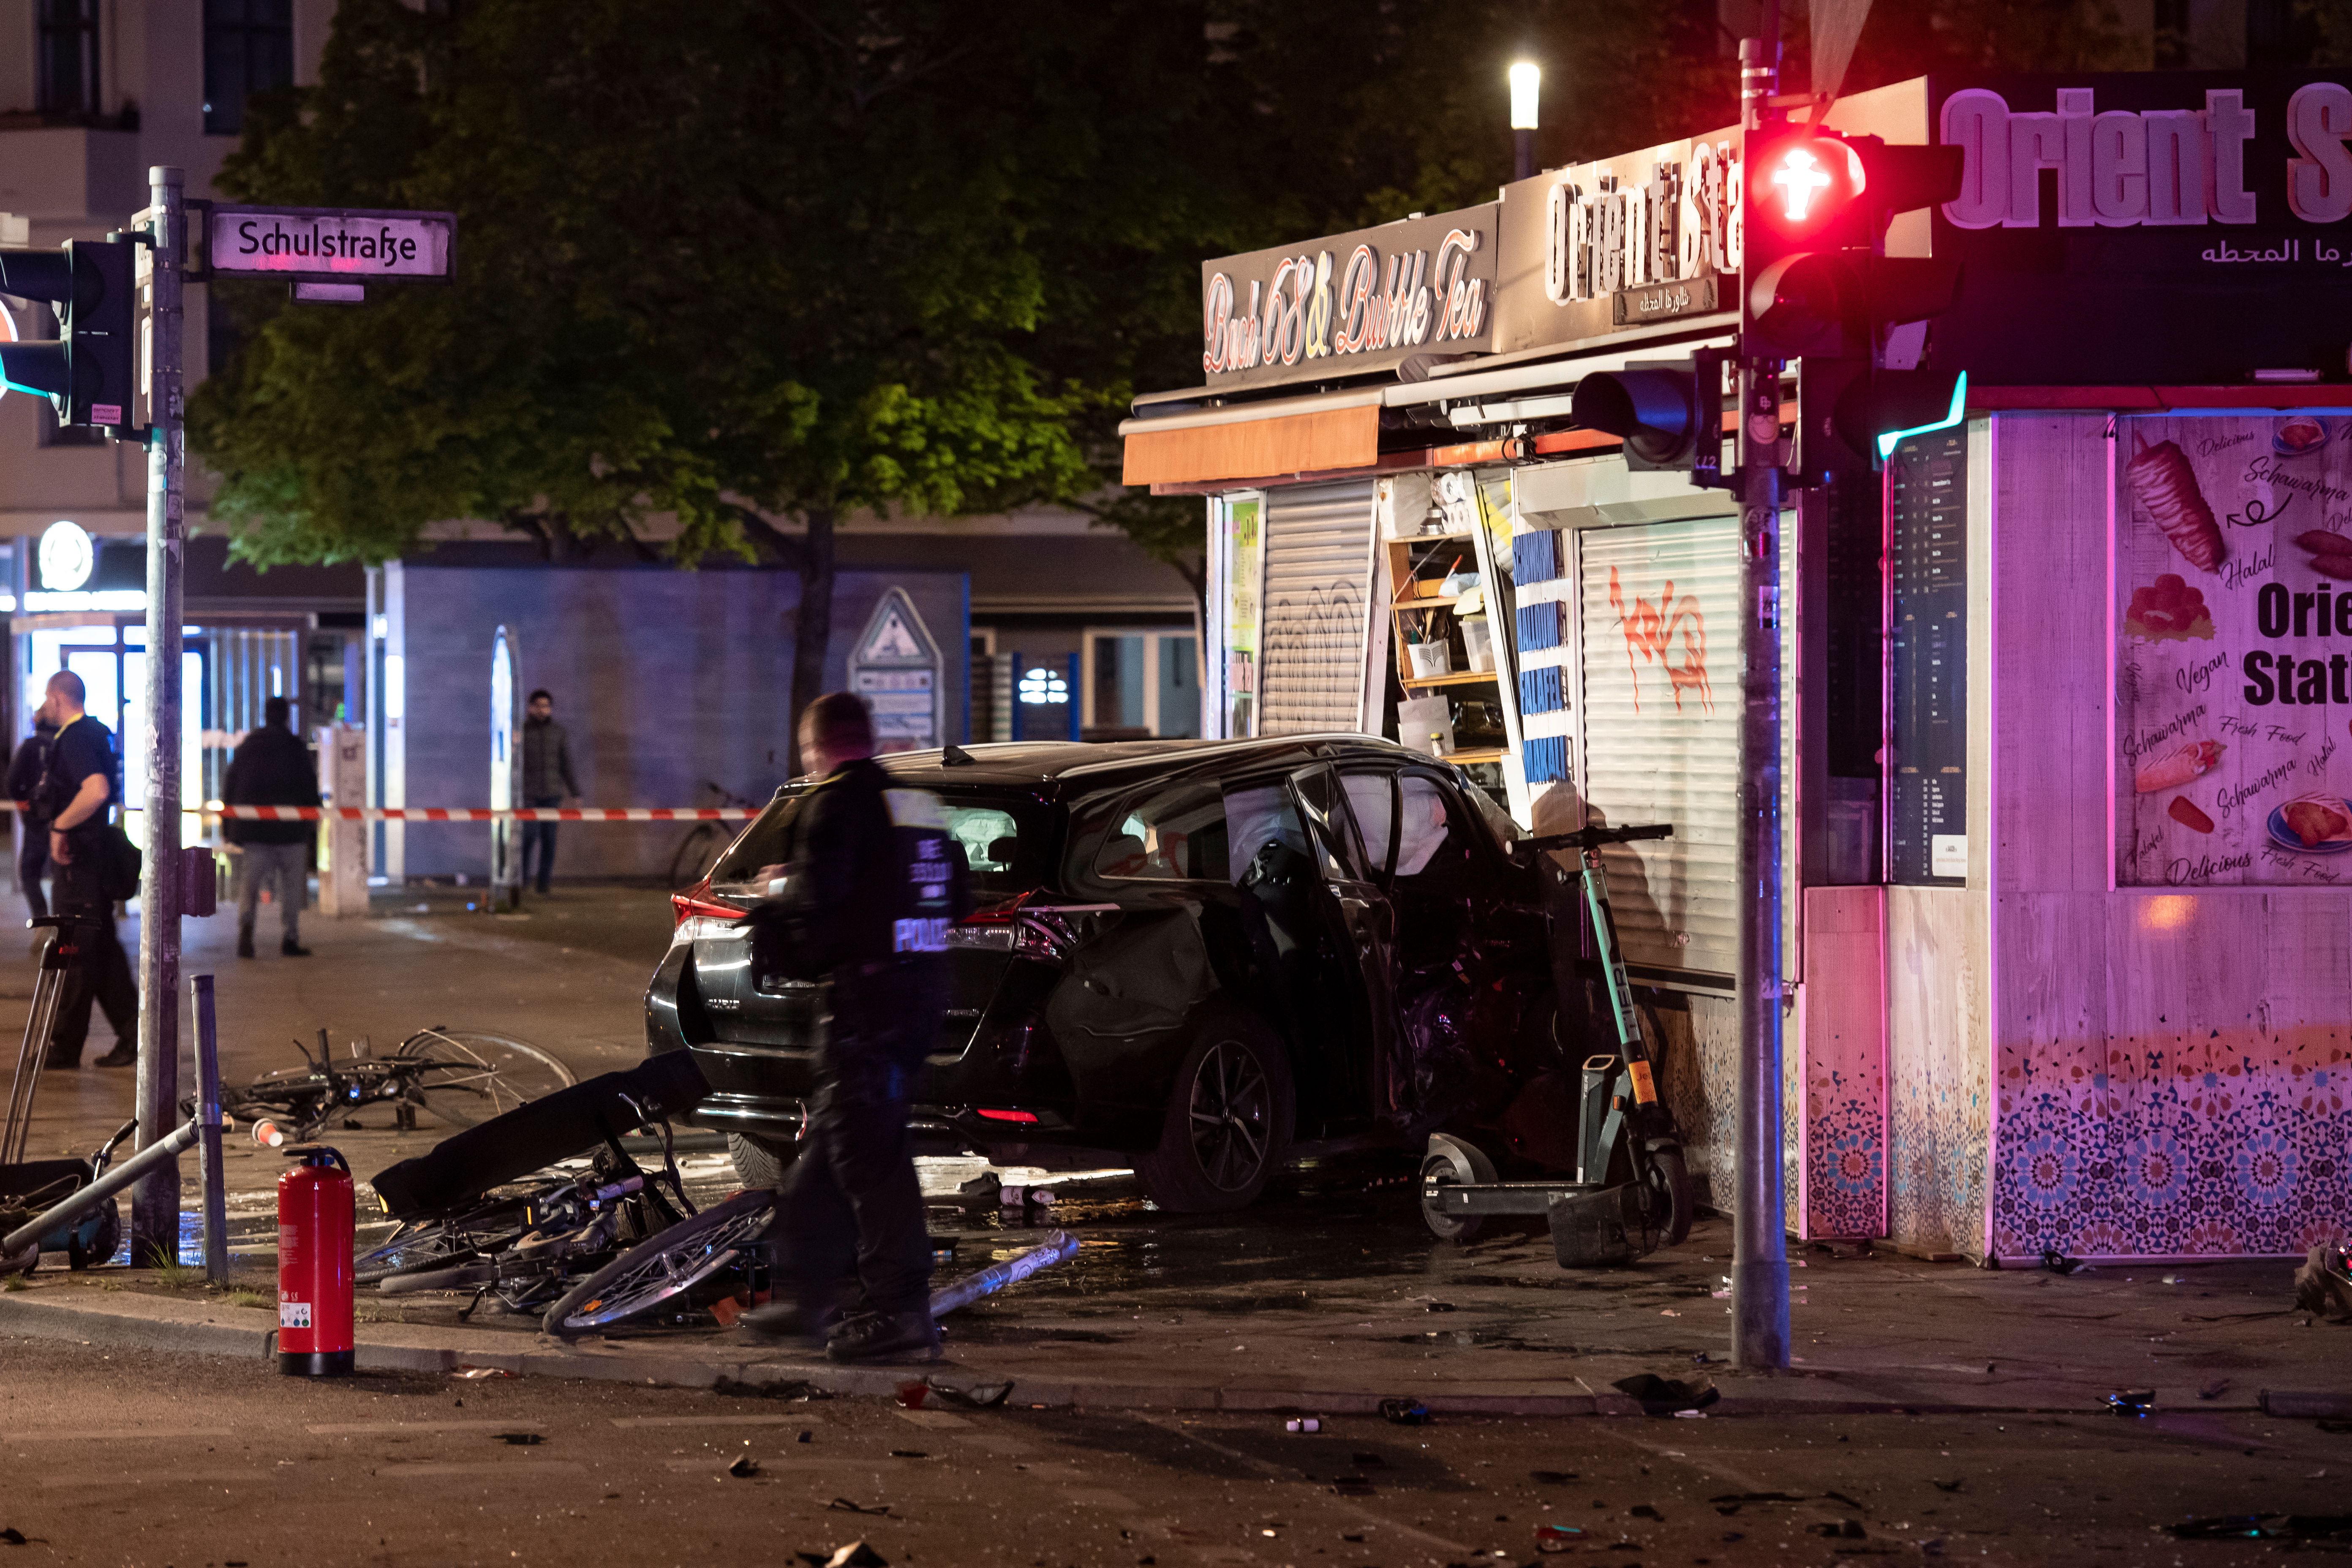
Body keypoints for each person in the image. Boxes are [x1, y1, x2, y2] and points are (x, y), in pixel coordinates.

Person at [740, 692, 963, 1362]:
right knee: (842, 1145)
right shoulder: (914, 804)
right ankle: (807, 1297)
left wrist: (774, 893)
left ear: (817, 749)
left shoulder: (835, 802)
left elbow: (818, 901)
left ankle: (902, 1312)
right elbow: (954, 890)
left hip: (866, 1007)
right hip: (919, 995)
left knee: (867, 1154)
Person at [38, 671, 136, 1069]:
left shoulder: (76, 738)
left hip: (80, 867)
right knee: (101, 954)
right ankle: (135, 1038)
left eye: (48, 700)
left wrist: (61, 825)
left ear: (58, 699)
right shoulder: (97, 734)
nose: (45, 707)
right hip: (91, 866)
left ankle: (64, 1047)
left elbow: (95, 790)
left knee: (75, 952)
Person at [223, 696, 318, 959]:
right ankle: (290, 938)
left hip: (256, 833)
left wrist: (228, 825)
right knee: (292, 888)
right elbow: (310, 787)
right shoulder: (295, 748)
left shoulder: (248, 748)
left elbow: (230, 785)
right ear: (287, 716)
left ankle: (246, 932)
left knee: (250, 886)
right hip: (291, 833)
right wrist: (311, 824)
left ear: (265, 715)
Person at [518, 689, 579, 897]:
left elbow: (566, 763)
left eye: (547, 706)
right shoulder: (522, 731)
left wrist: (575, 791)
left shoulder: (558, 732)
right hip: (529, 794)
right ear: (531, 707)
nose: (543, 710)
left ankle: (543, 885)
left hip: (552, 794)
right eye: (539, 706)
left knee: (549, 840)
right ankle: (522, 881)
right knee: (528, 837)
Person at [7, 714, 57, 920]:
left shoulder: (30, 747)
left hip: (37, 818)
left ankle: (42, 918)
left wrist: (22, 803)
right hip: (64, 817)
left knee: (29, 870)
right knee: (61, 873)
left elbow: (12, 781)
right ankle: (62, 920)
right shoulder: (63, 744)